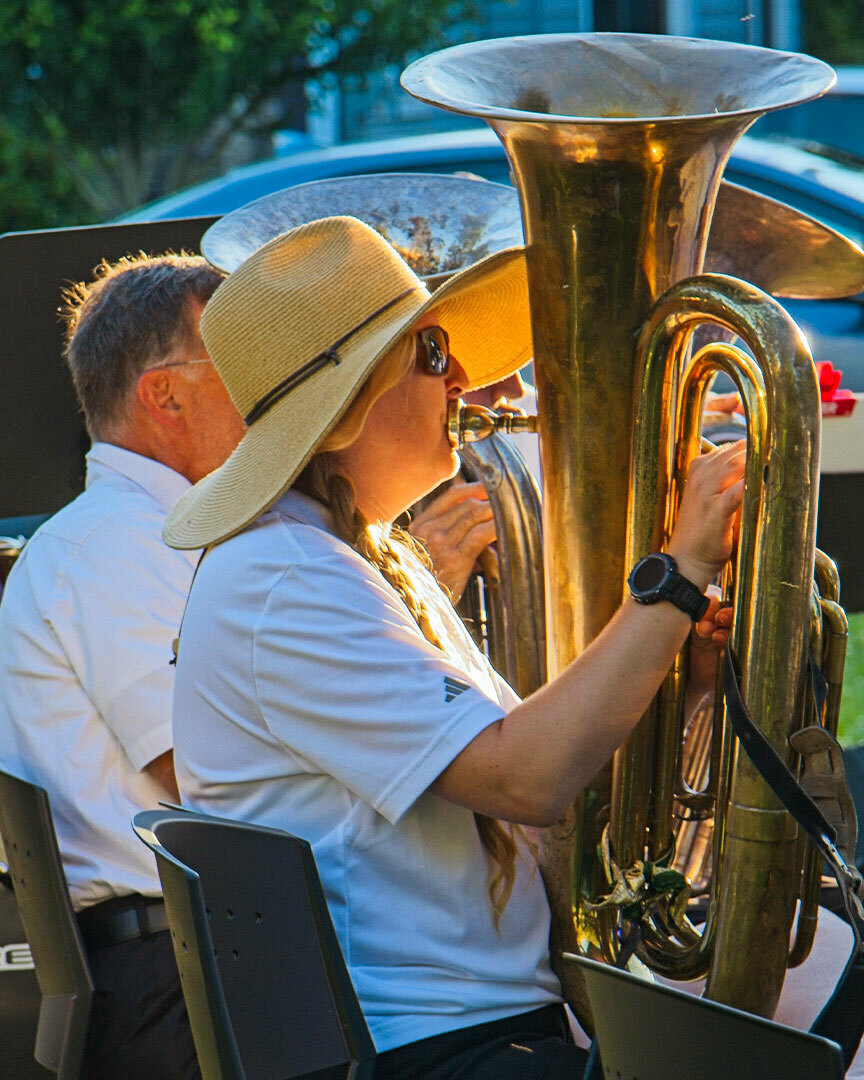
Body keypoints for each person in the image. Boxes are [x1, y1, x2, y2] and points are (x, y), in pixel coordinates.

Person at [164, 214, 744, 1079]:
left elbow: (546, 789)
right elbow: (525, 779)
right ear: (349, 405)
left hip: (474, 1033)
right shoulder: (284, 576)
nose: (465, 379)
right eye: (433, 354)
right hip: (422, 1052)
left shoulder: (359, 554)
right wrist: (678, 575)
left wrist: (683, 671)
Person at [0, 252, 246, 1080]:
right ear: (164, 395)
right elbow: (206, 774)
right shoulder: (117, 541)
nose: (270, 385)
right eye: (242, 357)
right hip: (182, 986)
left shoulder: (147, 535)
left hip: (194, 967)